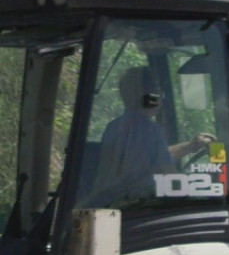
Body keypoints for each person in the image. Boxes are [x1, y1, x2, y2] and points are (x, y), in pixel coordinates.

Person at [89, 66, 212, 206]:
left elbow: (145, 158)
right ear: (149, 98)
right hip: (142, 203)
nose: (160, 99)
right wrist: (196, 187)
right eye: (158, 94)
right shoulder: (152, 130)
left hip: (114, 201)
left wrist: (190, 146)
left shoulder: (112, 127)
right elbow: (167, 172)